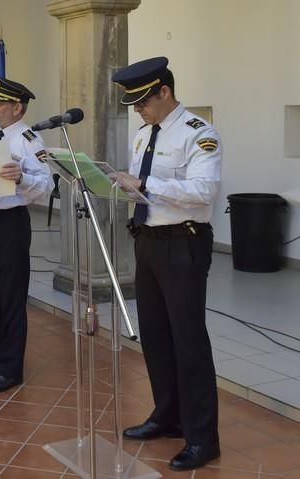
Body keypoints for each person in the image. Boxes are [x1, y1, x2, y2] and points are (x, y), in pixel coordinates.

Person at [110, 56, 222, 471]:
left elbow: (203, 191)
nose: (137, 109)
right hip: (149, 242)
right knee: (156, 337)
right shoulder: (143, 136)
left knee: (188, 341)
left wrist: (144, 183)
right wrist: (120, 186)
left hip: (183, 245)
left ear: (164, 92)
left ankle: (202, 437)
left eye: (142, 101)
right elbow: (146, 193)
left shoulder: (199, 135)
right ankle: (168, 415)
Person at [0, 77, 53, 393]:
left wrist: (22, 177)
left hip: (9, 224)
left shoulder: (29, 140)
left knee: (11, 296)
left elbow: (47, 185)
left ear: (18, 107)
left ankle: (10, 367)